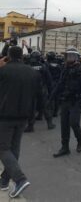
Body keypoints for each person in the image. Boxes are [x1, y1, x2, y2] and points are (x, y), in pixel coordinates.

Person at [0, 46, 38, 198]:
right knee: (14, 149)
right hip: (24, 116)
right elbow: (39, 94)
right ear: (22, 56)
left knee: (3, 148)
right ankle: (4, 181)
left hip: (5, 115)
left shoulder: (3, 71)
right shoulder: (32, 72)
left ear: (8, 55)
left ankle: (20, 179)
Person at [51, 48, 81, 158]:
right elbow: (60, 84)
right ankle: (65, 147)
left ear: (75, 57)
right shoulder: (65, 68)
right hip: (65, 100)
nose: (68, 58)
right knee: (64, 125)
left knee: (73, 122)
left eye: (70, 56)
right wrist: (51, 98)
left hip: (76, 100)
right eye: (67, 56)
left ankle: (80, 139)